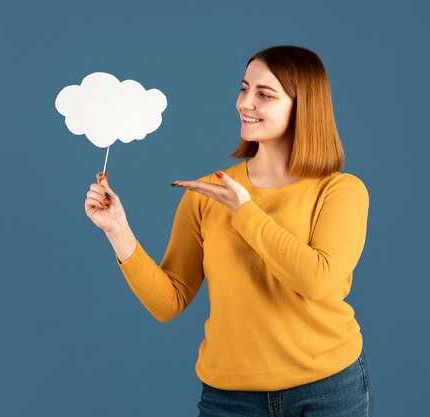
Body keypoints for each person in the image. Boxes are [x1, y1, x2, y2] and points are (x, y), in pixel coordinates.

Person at [84, 45, 375, 417]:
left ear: (304, 107)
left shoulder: (341, 191)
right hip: (230, 398)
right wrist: (118, 230)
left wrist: (244, 210)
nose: (245, 103)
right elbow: (168, 302)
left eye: (264, 94)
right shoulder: (207, 194)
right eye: (244, 88)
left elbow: (316, 281)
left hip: (328, 388)